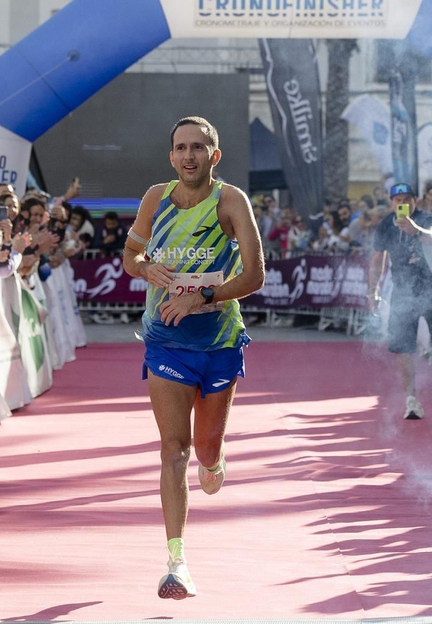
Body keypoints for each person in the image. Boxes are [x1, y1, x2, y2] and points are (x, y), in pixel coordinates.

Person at [122, 116, 265, 600]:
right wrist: (146, 269)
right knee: (173, 450)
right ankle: (176, 564)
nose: (189, 156)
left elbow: (255, 276)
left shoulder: (231, 201)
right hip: (165, 341)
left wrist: (201, 296)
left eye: (198, 148)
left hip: (219, 343)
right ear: (171, 156)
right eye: (181, 148)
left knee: (205, 452)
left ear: (214, 156)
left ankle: (216, 460)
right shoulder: (155, 198)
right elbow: (131, 256)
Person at [368, 182, 432, 422]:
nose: (402, 203)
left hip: (431, 288)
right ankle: (411, 399)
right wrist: (373, 290)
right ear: (391, 203)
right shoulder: (386, 225)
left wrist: (415, 229)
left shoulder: (425, 219)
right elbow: (377, 259)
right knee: (401, 346)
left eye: (407, 199)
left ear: (415, 200)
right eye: (398, 200)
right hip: (402, 291)